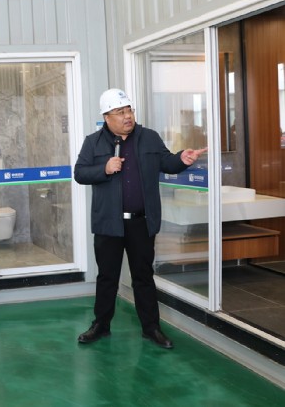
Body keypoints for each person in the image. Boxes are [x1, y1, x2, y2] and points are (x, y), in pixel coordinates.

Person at [73, 88, 207, 349]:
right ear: (107, 116)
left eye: (129, 110)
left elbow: (167, 162)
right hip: (108, 223)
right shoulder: (93, 142)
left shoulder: (149, 138)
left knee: (143, 277)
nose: (127, 116)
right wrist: (104, 168)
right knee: (107, 277)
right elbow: (80, 173)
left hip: (141, 223)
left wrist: (183, 159)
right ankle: (101, 325)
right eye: (120, 112)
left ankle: (151, 328)